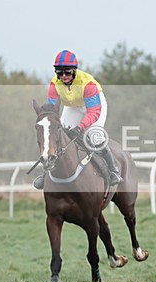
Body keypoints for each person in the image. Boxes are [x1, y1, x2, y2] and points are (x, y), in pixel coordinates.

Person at [32, 49, 122, 189]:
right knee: (61, 135)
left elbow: (93, 112)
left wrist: (80, 127)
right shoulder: (54, 84)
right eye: (59, 72)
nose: (63, 76)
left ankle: (113, 170)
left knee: (94, 137)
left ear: (74, 70)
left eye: (67, 72)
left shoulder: (88, 84)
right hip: (73, 107)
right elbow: (51, 108)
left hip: (94, 107)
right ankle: (46, 174)